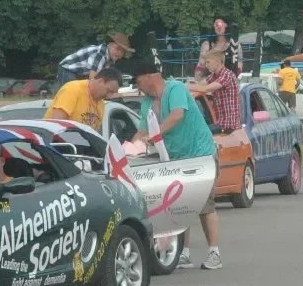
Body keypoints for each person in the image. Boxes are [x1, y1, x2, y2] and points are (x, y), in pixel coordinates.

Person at [133, 61, 223, 270]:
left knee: (204, 205)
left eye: (139, 82)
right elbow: (142, 130)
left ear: (149, 76)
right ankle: (184, 252)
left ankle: (214, 253)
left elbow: (177, 115)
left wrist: (155, 135)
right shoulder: (147, 101)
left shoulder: (175, 89)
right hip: (176, 158)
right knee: (180, 206)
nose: (139, 88)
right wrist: (131, 146)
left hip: (201, 155)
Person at [45, 67, 122, 130]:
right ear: (100, 81)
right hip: (58, 143)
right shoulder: (73, 89)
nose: (109, 96)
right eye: (108, 91)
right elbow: (57, 123)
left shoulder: (101, 104)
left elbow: (93, 134)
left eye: (112, 93)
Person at [189, 51, 241, 133]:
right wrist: (189, 86)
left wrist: (183, 87)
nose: (206, 65)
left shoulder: (227, 75)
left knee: (197, 133)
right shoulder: (214, 76)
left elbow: (205, 89)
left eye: (208, 62)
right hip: (221, 124)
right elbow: (200, 85)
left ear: (217, 61)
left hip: (229, 127)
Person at [56, 33, 135, 86]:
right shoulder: (100, 54)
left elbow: (104, 77)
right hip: (68, 69)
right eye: (117, 49)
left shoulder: (109, 60)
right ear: (110, 45)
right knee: (73, 92)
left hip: (79, 73)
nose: (119, 53)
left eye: (122, 51)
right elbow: (93, 78)